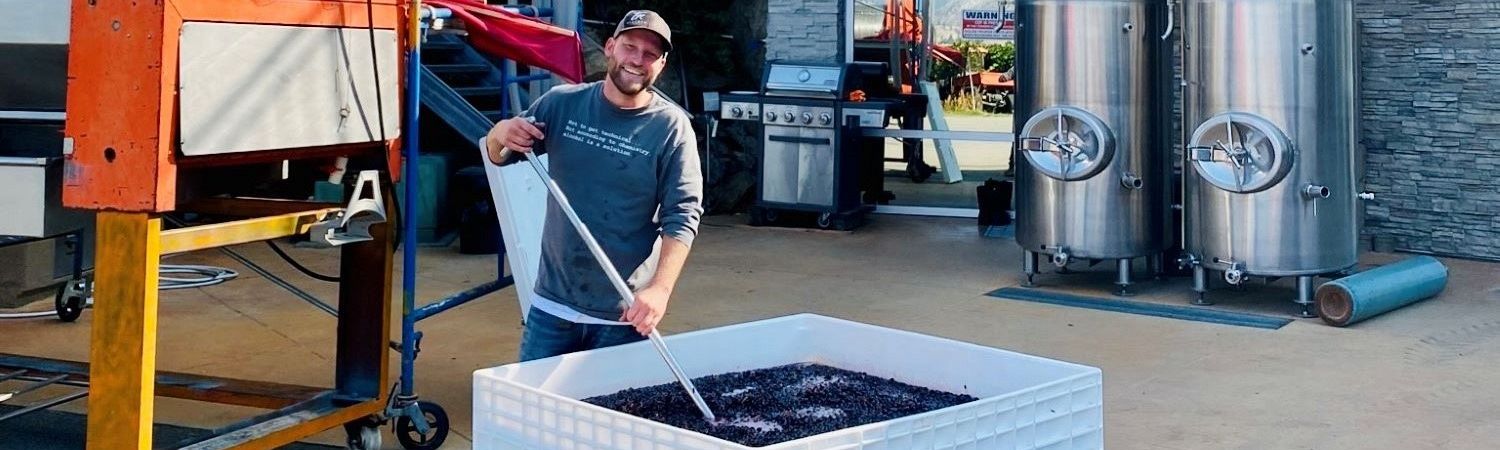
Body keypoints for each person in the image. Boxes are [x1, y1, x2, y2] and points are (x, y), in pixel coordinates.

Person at [484, 10, 703, 362]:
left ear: (661, 64)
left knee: (609, 415)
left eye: (649, 54)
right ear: (610, 47)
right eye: (630, 47)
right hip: (551, 307)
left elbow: (684, 214)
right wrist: (499, 133)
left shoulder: (671, 128)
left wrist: (660, 290)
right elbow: (501, 155)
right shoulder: (561, 104)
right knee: (536, 412)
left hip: (623, 313)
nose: (637, 60)